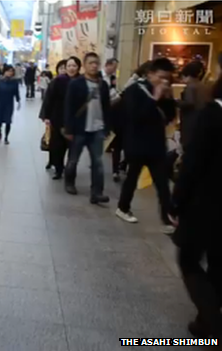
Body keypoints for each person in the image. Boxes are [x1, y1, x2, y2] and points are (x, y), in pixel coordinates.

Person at [169, 53, 222, 340]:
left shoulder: (214, 112)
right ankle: (205, 321)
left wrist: (176, 200)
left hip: (208, 202)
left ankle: (212, 321)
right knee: (217, 260)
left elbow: (195, 163)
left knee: (188, 258)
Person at [115, 58, 177, 234]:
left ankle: (167, 219)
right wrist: (155, 97)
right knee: (132, 178)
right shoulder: (135, 90)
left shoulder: (164, 92)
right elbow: (136, 117)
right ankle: (123, 208)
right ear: (150, 74)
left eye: (168, 78)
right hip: (137, 144)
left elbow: (170, 117)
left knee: (162, 184)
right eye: (161, 77)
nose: (164, 81)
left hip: (156, 145)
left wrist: (168, 98)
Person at [63, 53, 111, 204]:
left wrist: (107, 127)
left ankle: (97, 192)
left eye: (96, 63)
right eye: (90, 63)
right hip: (79, 128)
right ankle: (69, 182)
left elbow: (106, 108)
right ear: (84, 65)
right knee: (73, 159)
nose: (94, 66)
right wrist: (69, 129)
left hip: (97, 128)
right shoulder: (76, 84)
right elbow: (69, 107)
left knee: (97, 162)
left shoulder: (103, 85)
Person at [40, 59, 71, 177]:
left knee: (66, 145)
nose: (64, 70)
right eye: (61, 68)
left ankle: (64, 166)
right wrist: (46, 116)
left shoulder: (76, 81)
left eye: (66, 67)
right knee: (55, 142)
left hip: (71, 118)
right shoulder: (55, 82)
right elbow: (48, 100)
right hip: (56, 117)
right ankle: (57, 165)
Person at [178, 60, 208, 149]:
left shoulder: (191, 86)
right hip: (202, 121)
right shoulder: (203, 85)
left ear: (186, 76)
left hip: (191, 121)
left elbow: (189, 103)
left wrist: (176, 102)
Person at [0, 64, 21, 144]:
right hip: (0, 103)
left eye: (11, 71)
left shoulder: (14, 82)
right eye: (8, 71)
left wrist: (18, 101)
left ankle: (6, 137)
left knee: (8, 121)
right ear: (4, 72)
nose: (10, 73)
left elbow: (16, 92)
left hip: (9, 104)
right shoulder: (0, 82)